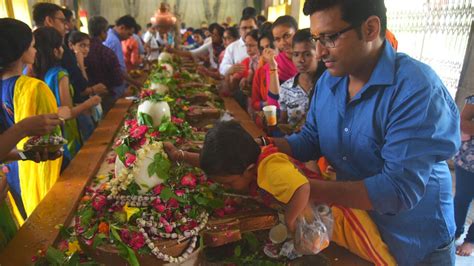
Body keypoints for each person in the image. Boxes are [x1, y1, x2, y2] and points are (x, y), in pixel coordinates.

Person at [264, 0, 461, 265]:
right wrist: (265, 145)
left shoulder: (416, 89)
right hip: (363, 226)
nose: (319, 51)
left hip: (415, 240)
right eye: (316, 39)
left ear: (370, 29)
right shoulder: (330, 81)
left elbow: (396, 190)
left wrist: (305, 189)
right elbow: (311, 139)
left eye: (330, 37)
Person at [163, 121, 396, 264]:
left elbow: (303, 188)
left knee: (376, 253)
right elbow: (213, 166)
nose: (226, 187)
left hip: (340, 214)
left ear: (249, 169)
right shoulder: (248, 159)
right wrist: (181, 156)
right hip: (314, 214)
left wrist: (291, 219)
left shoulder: (270, 170)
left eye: (230, 183)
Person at [0, 18, 65, 221]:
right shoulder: (34, 88)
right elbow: (51, 138)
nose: (36, 50)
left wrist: (25, 154)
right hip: (34, 175)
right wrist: (24, 128)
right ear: (22, 51)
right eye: (32, 45)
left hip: (11, 172)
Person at [33, 27, 101, 169]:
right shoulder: (60, 74)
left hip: (51, 137)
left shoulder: (39, 73)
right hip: (66, 134)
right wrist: (89, 103)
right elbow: (68, 113)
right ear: (56, 50)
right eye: (61, 45)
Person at [278, 29, 326, 128]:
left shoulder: (327, 85)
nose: (301, 60)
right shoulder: (286, 89)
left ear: (318, 54)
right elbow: (283, 121)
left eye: (307, 54)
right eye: (296, 54)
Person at [85, 16, 125, 114]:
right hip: (106, 98)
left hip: (86, 102)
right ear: (103, 32)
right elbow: (118, 79)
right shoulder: (106, 52)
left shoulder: (82, 51)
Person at [453, 95, 474, 256]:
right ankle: (454, 231)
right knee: (461, 198)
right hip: (468, 161)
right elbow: (461, 122)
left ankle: (471, 240)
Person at [103, 15, 142, 92]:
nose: (129, 38)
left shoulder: (110, 36)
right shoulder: (114, 41)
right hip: (114, 86)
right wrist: (136, 83)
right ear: (122, 28)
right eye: (129, 34)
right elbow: (119, 69)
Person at [263, 15, 298, 99]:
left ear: (297, 33)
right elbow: (273, 100)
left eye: (286, 36)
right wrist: (273, 67)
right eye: (277, 39)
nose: (282, 43)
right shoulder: (274, 63)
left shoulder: (311, 60)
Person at [251, 32, 277, 115]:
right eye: (262, 49)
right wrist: (265, 104)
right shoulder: (260, 72)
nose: (266, 51)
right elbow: (254, 103)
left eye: (268, 46)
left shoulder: (286, 68)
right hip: (268, 115)